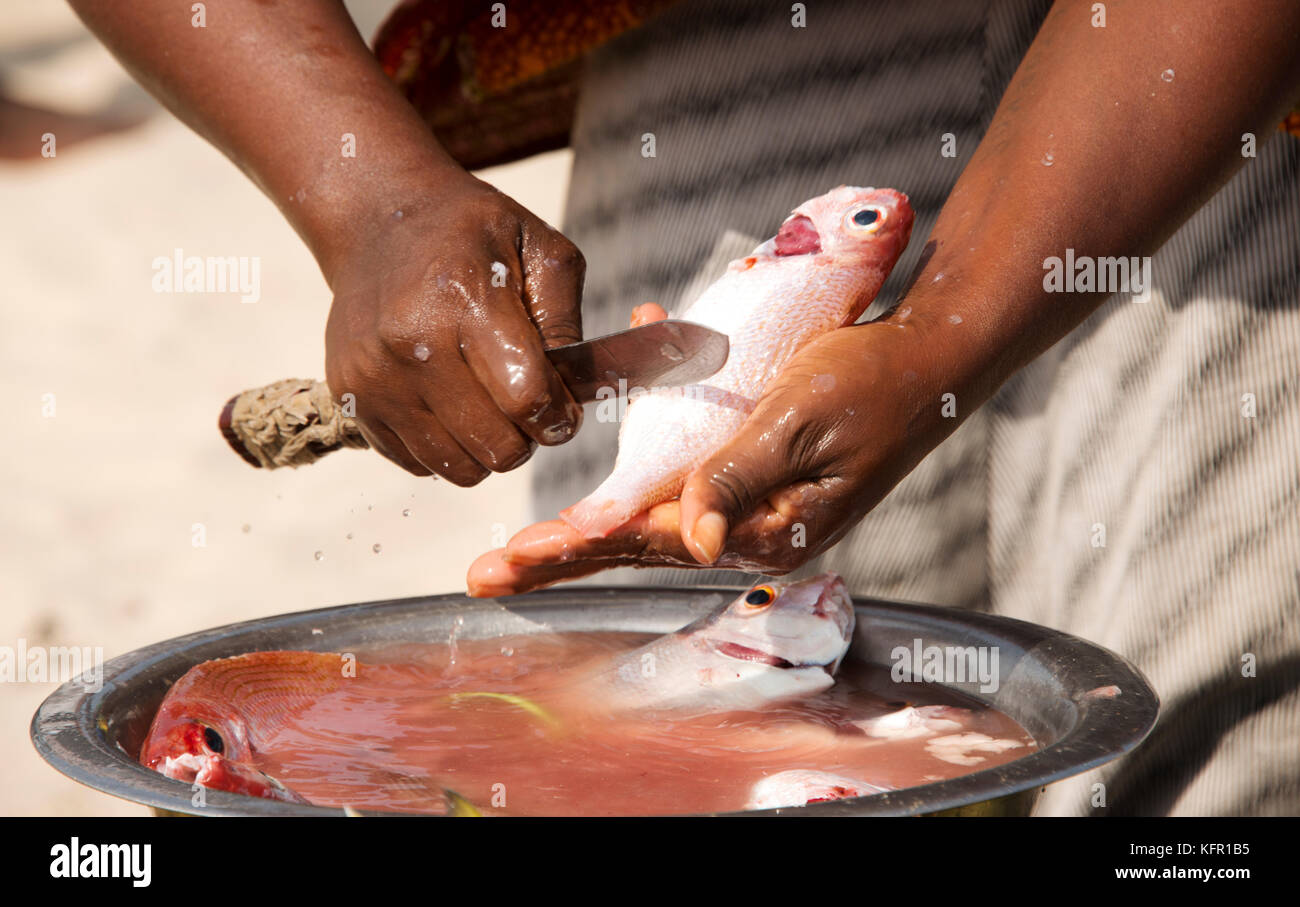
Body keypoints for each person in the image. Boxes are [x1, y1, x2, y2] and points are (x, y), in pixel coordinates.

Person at [70, 0, 1300, 816]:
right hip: (711, 28)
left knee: (1207, 759)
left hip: (1213, 71)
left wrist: (946, 330)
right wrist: (373, 197)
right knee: (658, 743)